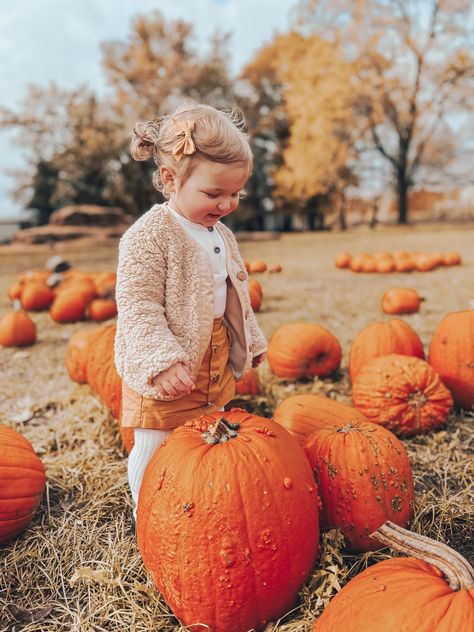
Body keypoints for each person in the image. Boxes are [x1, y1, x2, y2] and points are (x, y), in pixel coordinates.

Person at [114, 103, 268, 522]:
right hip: (165, 357)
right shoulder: (149, 236)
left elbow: (235, 292)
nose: (227, 204)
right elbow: (138, 306)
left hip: (211, 352)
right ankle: (149, 515)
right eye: (214, 193)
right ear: (170, 179)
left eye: (236, 193)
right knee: (156, 440)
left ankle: (198, 498)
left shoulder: (222, 234)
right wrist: (160, 360)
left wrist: (248, 338)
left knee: (208, 429)